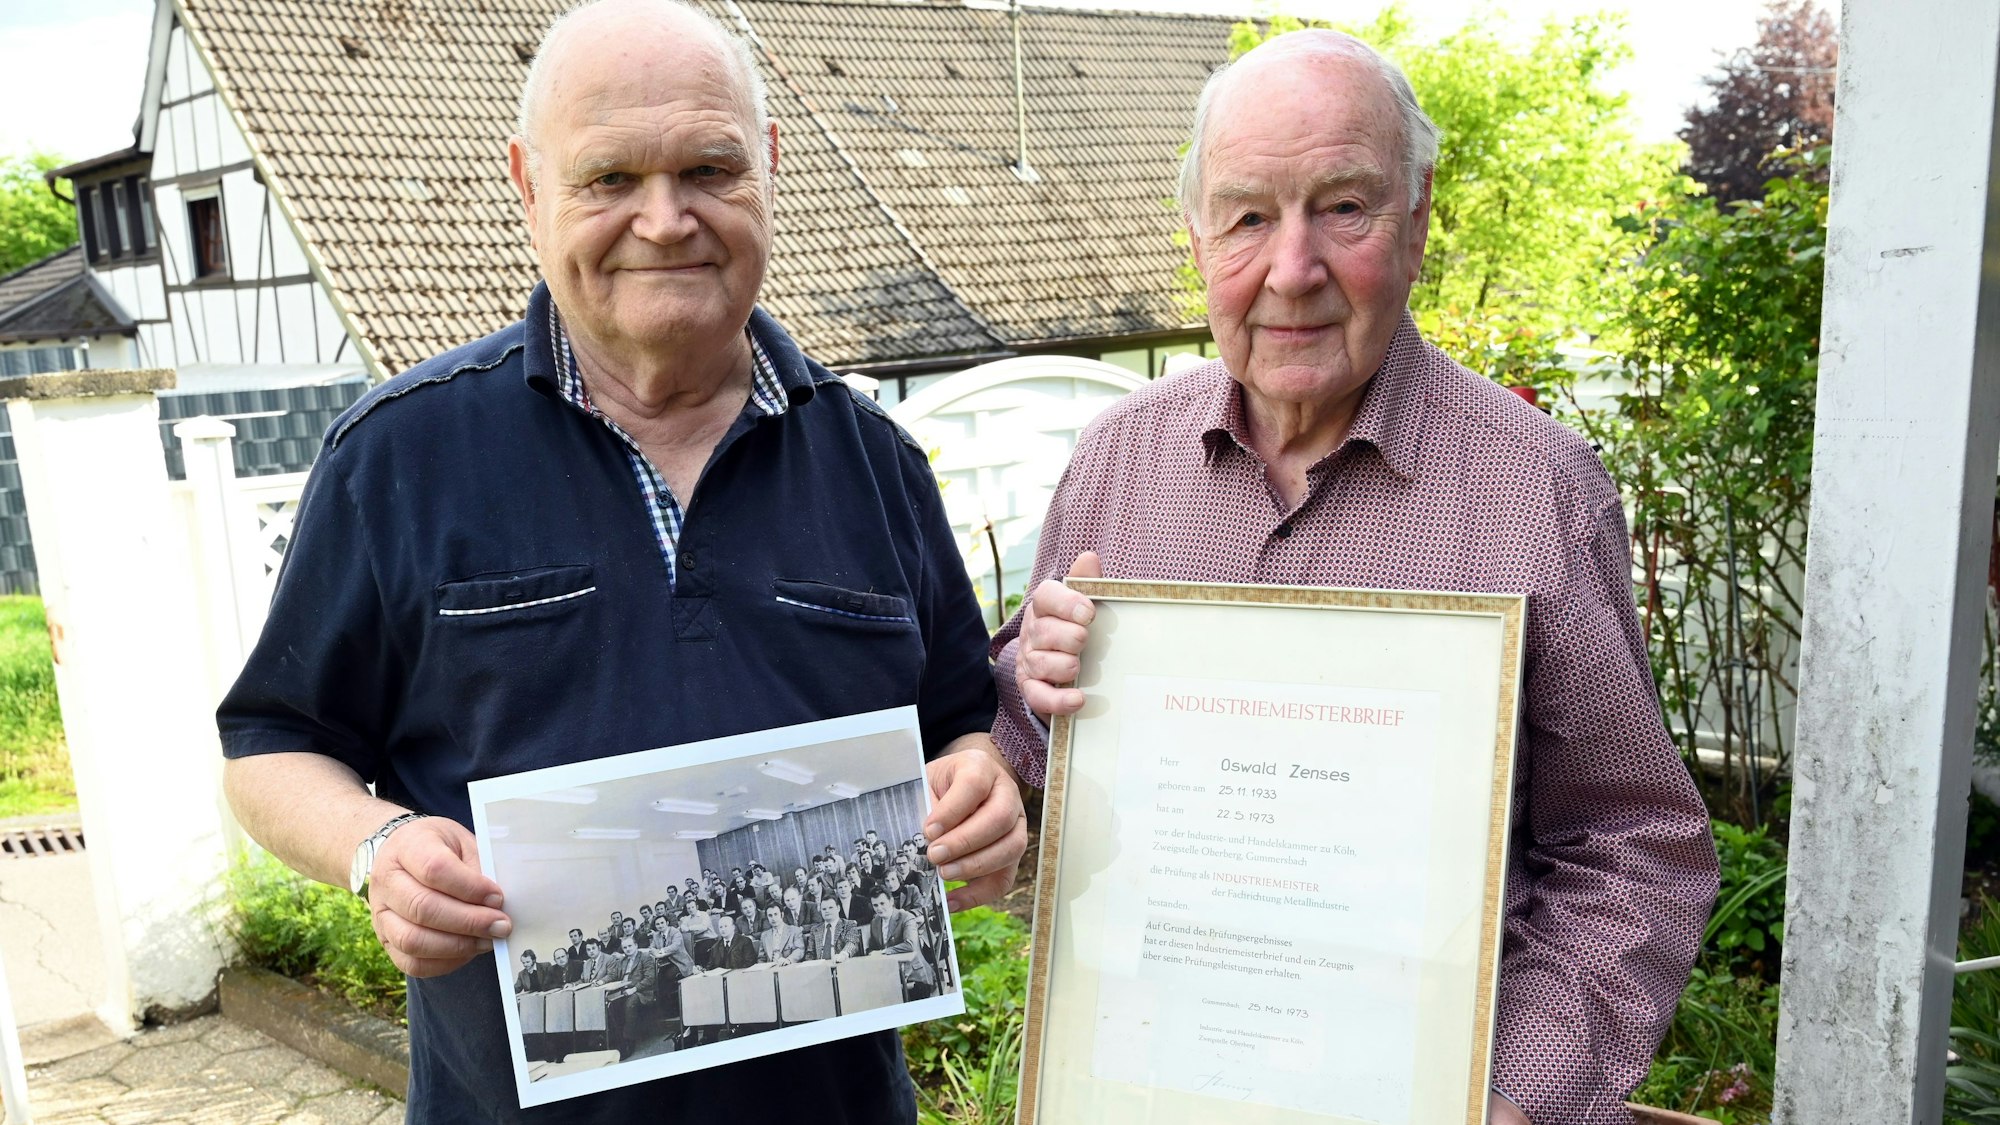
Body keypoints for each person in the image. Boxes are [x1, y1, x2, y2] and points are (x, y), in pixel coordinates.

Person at [215, 0, 1027, 1118]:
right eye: (608, 180)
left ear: (768, 168)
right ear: (528, 186)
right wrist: (378, 846)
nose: (665, 220)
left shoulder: (876, 463)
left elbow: (958, 720)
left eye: (708, 167)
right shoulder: (400, 456)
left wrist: (981, 787)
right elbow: (270, 746)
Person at [993, 30, 1718, 1125]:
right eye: (1245, 215)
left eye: (1342, 207)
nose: (1291, 270)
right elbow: (1022, 762)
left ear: (1418, 219)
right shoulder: (1115, 463)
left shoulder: (1541, 491)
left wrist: (1513, 1097)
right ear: (1194, 239)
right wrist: (1026, 699)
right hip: (1140, 1084)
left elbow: (1631, 850)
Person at [861, 890, 935, 999]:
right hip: (891, 975)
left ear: (891, 901)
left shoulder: (906, 917)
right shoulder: (875, 922)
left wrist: (883, 952)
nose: (879, 908)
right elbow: (872, 948)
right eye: (875, 905)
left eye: (882, 903)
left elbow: (910, 945)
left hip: (914, 976)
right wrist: (871, 952)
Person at [806, 894, 860, 962]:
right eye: (824, 909)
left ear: (838, 908)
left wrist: (843, 955)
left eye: (830, 907)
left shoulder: (849, 924)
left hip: (842, 964)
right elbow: (810, 954)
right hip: (820, 967)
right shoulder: (815, 929)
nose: (827, 911)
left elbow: (851, 943)